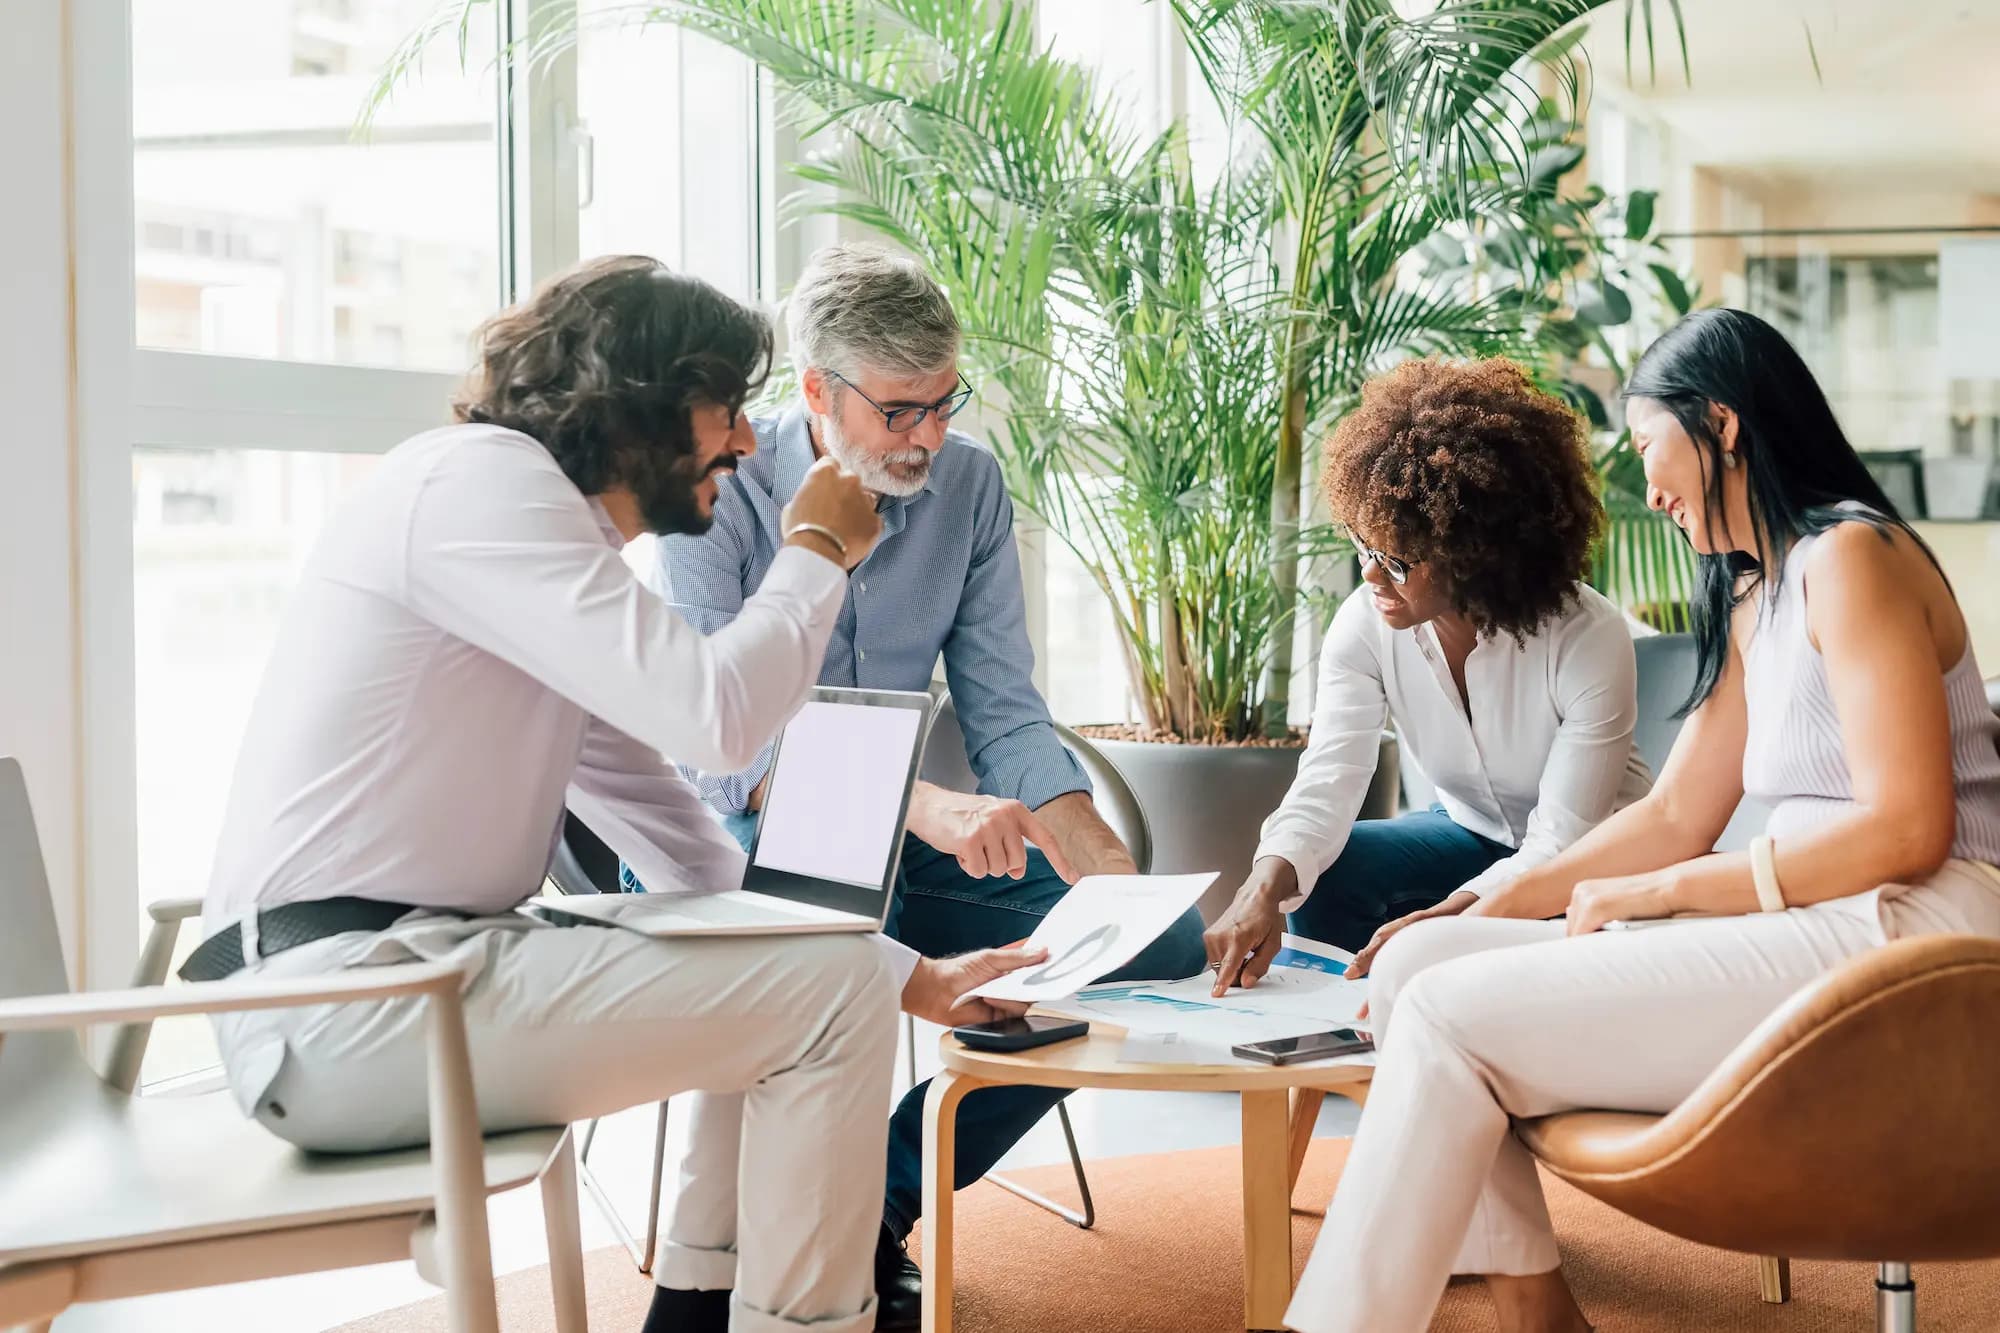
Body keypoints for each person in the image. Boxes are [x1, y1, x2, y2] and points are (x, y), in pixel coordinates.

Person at [189, 255, 1045, 1333]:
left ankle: (692, 1311)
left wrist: (917, 979)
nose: (743, 440)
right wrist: (818, 543)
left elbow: (691, 849)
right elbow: (718, 722)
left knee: (781, 956)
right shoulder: (480, 491)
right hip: (348, 1004)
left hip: (412, 979)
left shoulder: (540, 538)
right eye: (725, 408)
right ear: (638, 402)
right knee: (817, 985)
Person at [1288, 308, 2000, 1333]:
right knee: (1414, 967)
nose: (1648, 488)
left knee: (1445, 1015)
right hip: (1822, 927)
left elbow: (1902, 830)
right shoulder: (1755, 588)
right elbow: (1673, 810)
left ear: (1718, 426)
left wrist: (1661, 893)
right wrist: (1483, 899)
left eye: (1647, 448)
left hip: (1916, 943)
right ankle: (1539, 1313)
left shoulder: (1852, 556)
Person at [635, 242, 1209, 1329]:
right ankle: (774, 1233)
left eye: (944, 404)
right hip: (729, 849)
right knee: (844, 911)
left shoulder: (970, 487)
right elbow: (727, 753)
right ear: (816, 391)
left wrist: (1113, 877)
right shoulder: (716, 488)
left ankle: (875, 1201)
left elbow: (1004, 710)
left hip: (892, 861)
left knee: (1157, 945)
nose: (929, 439)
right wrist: (921, 807)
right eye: (899, 413)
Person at [1204, 356, 1653, 994]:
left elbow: (1557, 844)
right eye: (1361, 546)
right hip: (1473, 831)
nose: (1369, 575)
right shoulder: (1364, 625)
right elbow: (1329, 779)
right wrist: (1261, 888)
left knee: (1505, 930)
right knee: (1326, 871)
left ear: (1472, 552)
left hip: (1590, 858)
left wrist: (1440, 921)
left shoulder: (1586, 634)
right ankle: (1331, 1039)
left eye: (1393, 559)